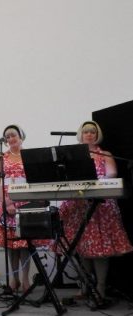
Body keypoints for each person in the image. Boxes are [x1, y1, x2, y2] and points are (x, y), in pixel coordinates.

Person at [59, 121, 132, 301]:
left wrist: (93, 183)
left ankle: (100, 287)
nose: (89, 135)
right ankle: (85, 286)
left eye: (92, 132)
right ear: (81, 135)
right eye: (86, 132)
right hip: (78, 205)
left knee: (100, 249)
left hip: (101, 205)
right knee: (82, 246)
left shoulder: (105, 154)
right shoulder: (73, 154)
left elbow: (111, 175)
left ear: (97, 134)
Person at [0, 125, 33, 292]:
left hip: (26, 200)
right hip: (6, 200)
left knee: (24, 242)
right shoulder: (0, 157)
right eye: (7, 136)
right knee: (11, 243)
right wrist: (6, 201)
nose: (11, 139)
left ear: (21, 136)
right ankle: (14, 278)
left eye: (13, 135)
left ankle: (26, 279)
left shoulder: (28, 155)